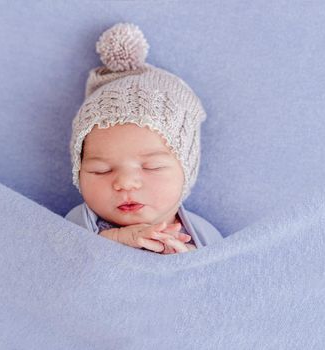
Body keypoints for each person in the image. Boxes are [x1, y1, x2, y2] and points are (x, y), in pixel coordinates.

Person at [65, 22, 223, 254]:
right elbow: (60, 254)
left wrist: (188, 263)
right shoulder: (77, 225)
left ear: (186, 169)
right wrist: (115, 238)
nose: (126, 183)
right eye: (101, 170)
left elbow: (221, 278)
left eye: (152, 167)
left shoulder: (202, 236)